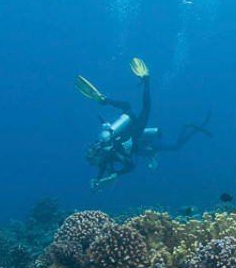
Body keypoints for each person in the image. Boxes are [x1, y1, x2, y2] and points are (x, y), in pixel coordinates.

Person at [75, 58, 213, 192]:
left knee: (175, 143)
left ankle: (186, 126)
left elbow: (130, 165)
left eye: (93, 162)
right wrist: (98, 181)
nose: (95, 165)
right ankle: (107, 100)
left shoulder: (110, 154)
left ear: (97, 156)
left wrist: (115, 175)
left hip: (140, 137)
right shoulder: (105, 152)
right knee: (131, 107)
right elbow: (103, 168)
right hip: (132, 133)